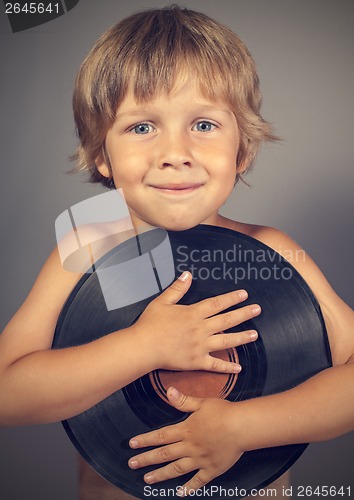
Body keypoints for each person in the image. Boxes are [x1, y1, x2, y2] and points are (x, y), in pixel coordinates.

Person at [0, 5, 353, 500]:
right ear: (102, 154)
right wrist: (145, 346)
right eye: (142, 127)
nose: (175, 151)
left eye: (204, 125)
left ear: (242, 149)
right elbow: (7, 392)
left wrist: (245, 426)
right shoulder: (90, 245)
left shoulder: (270, 250)